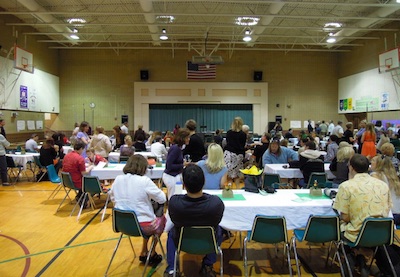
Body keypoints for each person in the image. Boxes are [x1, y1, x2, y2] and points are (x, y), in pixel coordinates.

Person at [333, 154, 392, 275]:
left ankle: (354, 254)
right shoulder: (383, 185)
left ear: (351, 168)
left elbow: (345, 217)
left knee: (338, 227)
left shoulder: (346, 186)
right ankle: (360, 255)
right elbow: (386, 210)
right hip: (383, 233)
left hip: (356, 234)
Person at [164, 164, 224, 277]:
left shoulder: (174, 202)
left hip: (181, 240)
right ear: (204, 181)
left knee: (171, 232)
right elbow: (217, 221)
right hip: (208, 241)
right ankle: (207, 264)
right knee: (219, 230)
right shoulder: (216, 203)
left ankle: (172, 269)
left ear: (184, 185)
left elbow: (174, 220)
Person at [110, 155, 166, 266]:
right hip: (144, 226)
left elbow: (112, 198)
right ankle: (152, 251)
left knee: (146, 216)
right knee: (160, 218)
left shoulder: (118, 179)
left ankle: (144, 250)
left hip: (121, 224)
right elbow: (162, 198)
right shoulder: (144, 181)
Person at [370, 155, 400, 225]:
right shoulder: (394, 177)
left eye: (373, 160)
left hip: (388, 215)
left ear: (378, 164)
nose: (371, 161)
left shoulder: (375, 176)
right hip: (397, 213)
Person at [162, 128, 191, 199]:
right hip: (171, 177)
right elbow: (169, 166)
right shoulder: (175, 149)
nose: (189, 139)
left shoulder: (179, 148)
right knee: (173, 198)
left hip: (175, 176)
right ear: (183, 138)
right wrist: (183, 165)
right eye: (188, 137)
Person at [223, 117, 247, 186]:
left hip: (229, 155)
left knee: (229, 176)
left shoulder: (229, 133)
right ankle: (237, 189)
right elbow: (243, 145)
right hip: (239, 155)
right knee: (237, 176)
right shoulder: (243, 134)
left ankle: (229, 189)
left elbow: (227, 142)